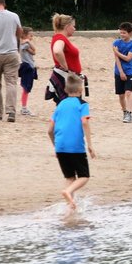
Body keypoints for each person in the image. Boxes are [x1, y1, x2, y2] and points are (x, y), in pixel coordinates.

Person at [47, 73, 96, 211]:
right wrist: (90, 145)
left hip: (60, 146)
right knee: (84, 176)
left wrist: (55, 146)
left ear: (66, 90)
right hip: (75, 146)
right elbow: (85, 122)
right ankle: (68, 193)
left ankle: (70, 207)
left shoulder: (61, 104)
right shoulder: (82, 104)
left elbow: (50, 130)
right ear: (81, 90)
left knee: (70, 177)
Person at [0, 0, 22, 122]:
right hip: (11, 52)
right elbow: (19, 32)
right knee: (11, 83)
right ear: (4, 4)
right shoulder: (14, 16)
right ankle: (11, 112)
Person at [46, 13, 83, 105]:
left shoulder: (60, 38)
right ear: (67, 26)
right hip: (66, 79)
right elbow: (57, 51)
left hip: (67, 78)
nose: (75, 29)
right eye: (73, 26)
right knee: (70, 106)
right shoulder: (60, 38)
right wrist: (65, 67)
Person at [113, 22, 132, 123]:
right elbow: (117, 59)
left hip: (129, 71)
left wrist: (117, 52)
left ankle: (129, 113)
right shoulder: (116, 43)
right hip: (118, 71)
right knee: (121, 94)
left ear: (130, 33)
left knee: (128, 92)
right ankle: (124, 111)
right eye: (121, 33)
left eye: (124, 33)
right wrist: (121, 72)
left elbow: (128, 58)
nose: (122, 35)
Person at [18, 27, 37, 116]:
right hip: (27, 67)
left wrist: (28, 43)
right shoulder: (24, 44)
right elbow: (34, 50)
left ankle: (24, 107)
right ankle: (24, 108)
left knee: (27, 88)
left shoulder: (25, 45)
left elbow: (34, 52)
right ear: (25, 35)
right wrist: (28, 42)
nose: (31, 37)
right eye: (30, 35)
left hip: (29, 67)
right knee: (26, 88)